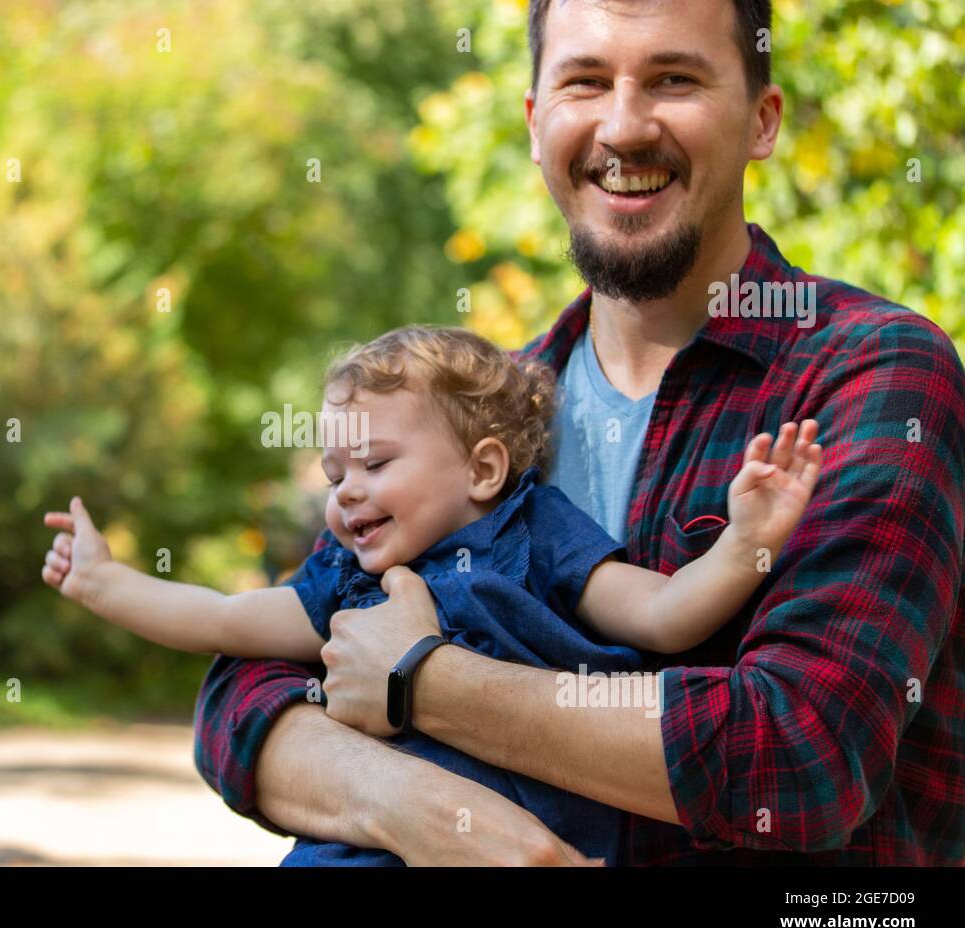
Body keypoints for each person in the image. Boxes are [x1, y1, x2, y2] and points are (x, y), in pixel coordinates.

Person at [188, 0, 965, 865]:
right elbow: (243, 696)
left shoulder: (872, 374)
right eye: (585, 82)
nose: (624, 127)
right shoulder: (481, 409)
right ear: (534, 122)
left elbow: (802, 757)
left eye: (675, 79)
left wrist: (422, 681)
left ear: (762, 120)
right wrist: (411, 803)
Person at [40, 325, 822, 864]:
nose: (347, 494)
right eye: (334, 476)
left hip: (541, 842)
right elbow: (225, 621)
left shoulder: (537, 535)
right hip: (362, 850)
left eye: (375, 465)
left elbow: (665, 614)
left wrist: (747, 539)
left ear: (482, 470)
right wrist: (107, 583)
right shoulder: (351, 578)